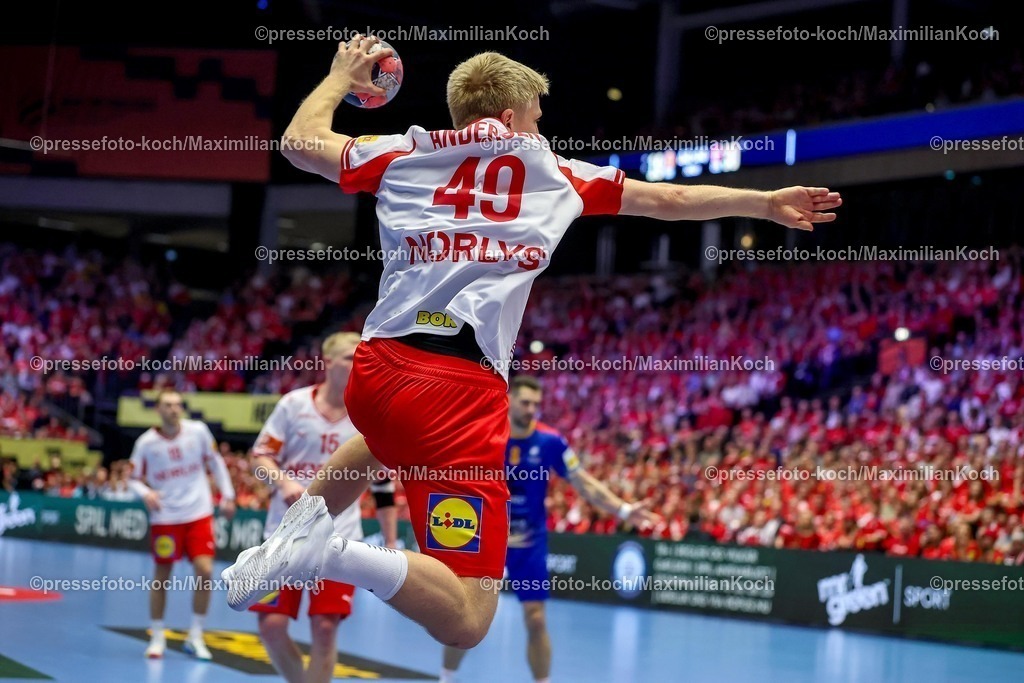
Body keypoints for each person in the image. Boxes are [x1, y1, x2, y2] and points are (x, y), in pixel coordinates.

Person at [222, 36, 841, 651]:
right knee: (467, 617)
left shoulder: (402, 152)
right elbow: (671, 199)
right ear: (514, 118)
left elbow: (299, 144)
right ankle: (332, 552)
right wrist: (762, 203)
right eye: (540, 117)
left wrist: (339, 76)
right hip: (456, 390)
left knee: (378, 438)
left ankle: (286, 540)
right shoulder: (555, 173)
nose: (545, 127)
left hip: (377, 371)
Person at [440, 375, 659, 683]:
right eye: (525, 402)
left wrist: (622, 509)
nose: (531, 409)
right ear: (509, 400)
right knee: (465, 619)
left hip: (529, 542)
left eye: (536, 404)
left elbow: (583, 482)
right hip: (485, 539)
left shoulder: (550, 441)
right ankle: (445, 677)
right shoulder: (485, 434)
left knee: (537, 619)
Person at [249, 332, 397, 683]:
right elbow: (260, 457)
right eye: (349, 357)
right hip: (283, 536)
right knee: (270, 625)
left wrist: (390, 543)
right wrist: (283, 482)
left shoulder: (369, 415)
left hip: (339, 541)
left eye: (361, 357)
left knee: (326, 627)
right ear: (327, 362)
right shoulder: (293, 405)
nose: (357, 363)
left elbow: (383, 486)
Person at [128, 387, 236, 660]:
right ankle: (157, 636)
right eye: (168, 405)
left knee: (205, 569)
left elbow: (216, 463)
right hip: (165, 516)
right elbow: (132, 478)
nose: (174, 409)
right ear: (158, 409)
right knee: (162, 576)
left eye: (177, 404)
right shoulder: (146, 443)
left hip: (198, 512)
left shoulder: (198, 431)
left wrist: (228, 495)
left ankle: (196, 636)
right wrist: (146, 493)